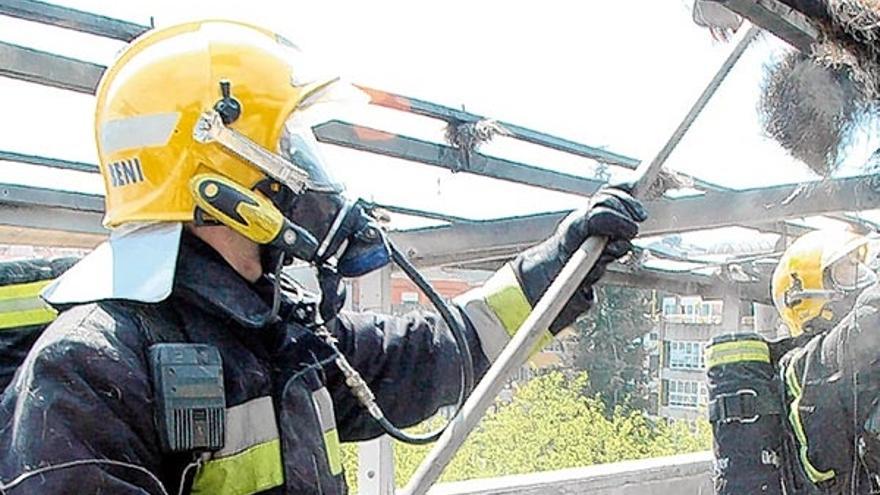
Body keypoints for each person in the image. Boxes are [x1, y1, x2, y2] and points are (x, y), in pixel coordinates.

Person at [0, 20, 646, 495]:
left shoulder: (284, 334)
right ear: (216, 174)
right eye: (288, 148)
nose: (313, 179)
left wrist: (556, 271)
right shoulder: (89, 365)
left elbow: (432, 355)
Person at [709, 229, 880, 494]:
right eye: (847, 271)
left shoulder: (860, 364)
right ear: (801, 296)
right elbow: (869, 320)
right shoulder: (806, 365)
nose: (862, 280)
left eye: (860, 268)